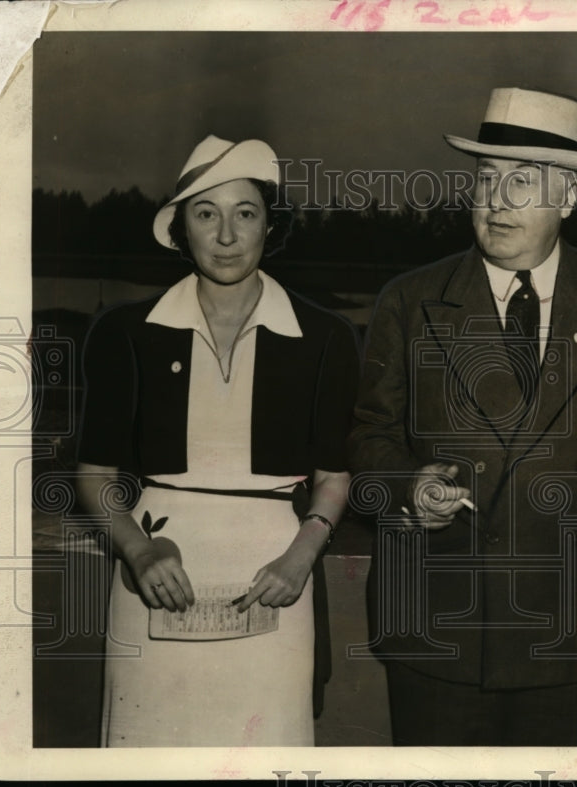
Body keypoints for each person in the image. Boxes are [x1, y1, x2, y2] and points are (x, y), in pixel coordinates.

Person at [348, 87, 577, 746]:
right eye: (487, 178)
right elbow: (370, 436)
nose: (498, 199)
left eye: (524, 182)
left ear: (570, 197)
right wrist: (409, 490)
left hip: (571, 618)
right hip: (435, 622)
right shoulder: (411, 298)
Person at [75, 135, 360, 747]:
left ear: (268, 226)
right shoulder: (125, 334)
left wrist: (301, 557)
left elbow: (334, 478)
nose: (226, 235)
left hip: (276, 578)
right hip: (152, 572)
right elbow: (95, 474)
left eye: (246, 213)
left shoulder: (325, 338)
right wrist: (139, 552)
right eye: (206, 214)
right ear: (181, 228)